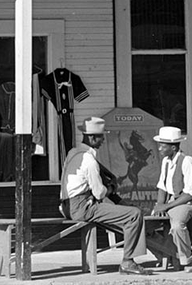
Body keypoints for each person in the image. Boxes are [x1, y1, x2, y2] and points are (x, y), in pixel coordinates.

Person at [61, 116, 146, 274]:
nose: (103, 140)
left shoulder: (73, 153)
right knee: (134, 215)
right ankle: (128, 262)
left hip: (66, 207)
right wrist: (112, 189)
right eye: (101, 137)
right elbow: (99, 193)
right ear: (92, 138)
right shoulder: (89, 161)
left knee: (126, 216)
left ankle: (132, 243)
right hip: (82, 207)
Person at [146, 126, 192, 271]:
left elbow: (190, 193)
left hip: (185, 202)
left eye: (163, 146)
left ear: (173, 147)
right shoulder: (166, 162)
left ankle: (186, 259)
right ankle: (166, 255)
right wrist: (159, 204)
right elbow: (162, 187)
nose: (159, 149)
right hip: (169, 202)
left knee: (177, 226)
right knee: (144, 227)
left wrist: (166, 207)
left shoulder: (188, 162)